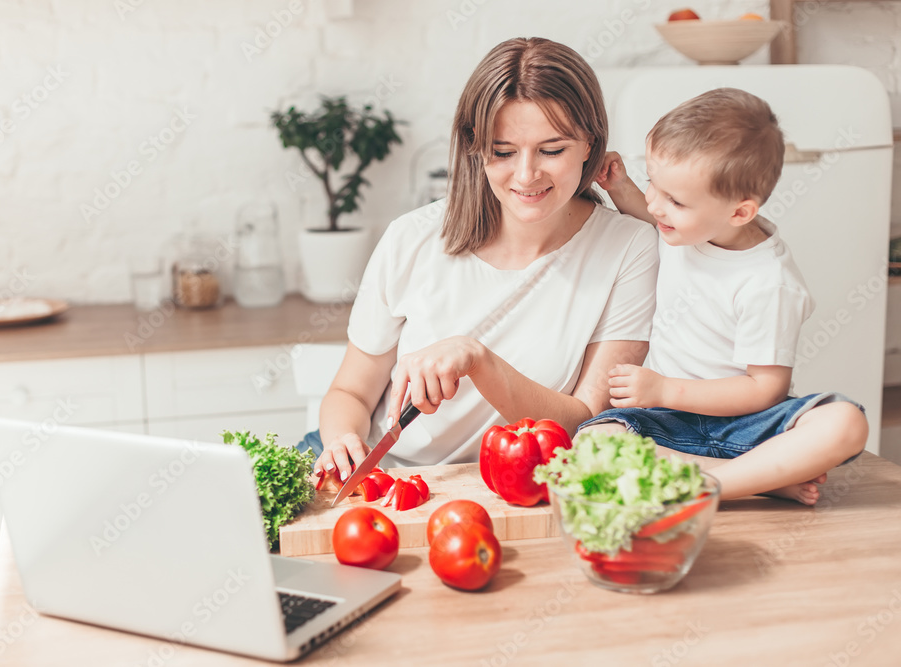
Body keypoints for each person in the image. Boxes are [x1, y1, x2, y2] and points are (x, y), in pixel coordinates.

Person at [304, 37, 659, 481]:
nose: (527, 175)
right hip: (385, 475)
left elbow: (584, 420)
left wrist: (478, 359)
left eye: (552, 150)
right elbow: (350, 393)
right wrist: (342, 441)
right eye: (504, 152)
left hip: (510, 486)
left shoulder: (629, 247)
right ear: (475, 146)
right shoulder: (412, 237)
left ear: (590, 143)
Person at [579, 87, 868, 505]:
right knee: (593, 442)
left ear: (739, 213)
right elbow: (651, 214)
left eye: (675, 200)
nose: (656, 206)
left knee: (846, 422)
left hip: (747, 424)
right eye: (652, 184)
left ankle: (711, 485)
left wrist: (663, 390)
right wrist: (621, 187)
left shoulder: (769, 282)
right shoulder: (688, 227)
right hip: (670, 424)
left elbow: (765, 389)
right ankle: (757, 478)